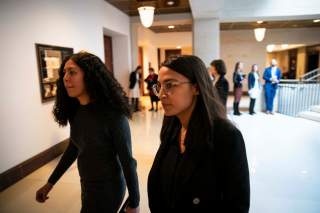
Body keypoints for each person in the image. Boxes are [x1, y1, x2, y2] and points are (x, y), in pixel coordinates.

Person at [35, 52, 140, 213]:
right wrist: (50, 183)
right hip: (87, 184)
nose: (65, 78)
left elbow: (128, 161)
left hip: (108, 189)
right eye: (64, 73)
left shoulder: (113, 115)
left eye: (72, 72)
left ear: (90, 76)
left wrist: (134, 202)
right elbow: (75, 146)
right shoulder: (76, 111)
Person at [148, 55, 250, 212]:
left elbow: (237, 204)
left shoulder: (226, 136)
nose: (161, 94)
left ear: (196, 87)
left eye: (170, 85)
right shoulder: (172, 126)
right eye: (159, 86)